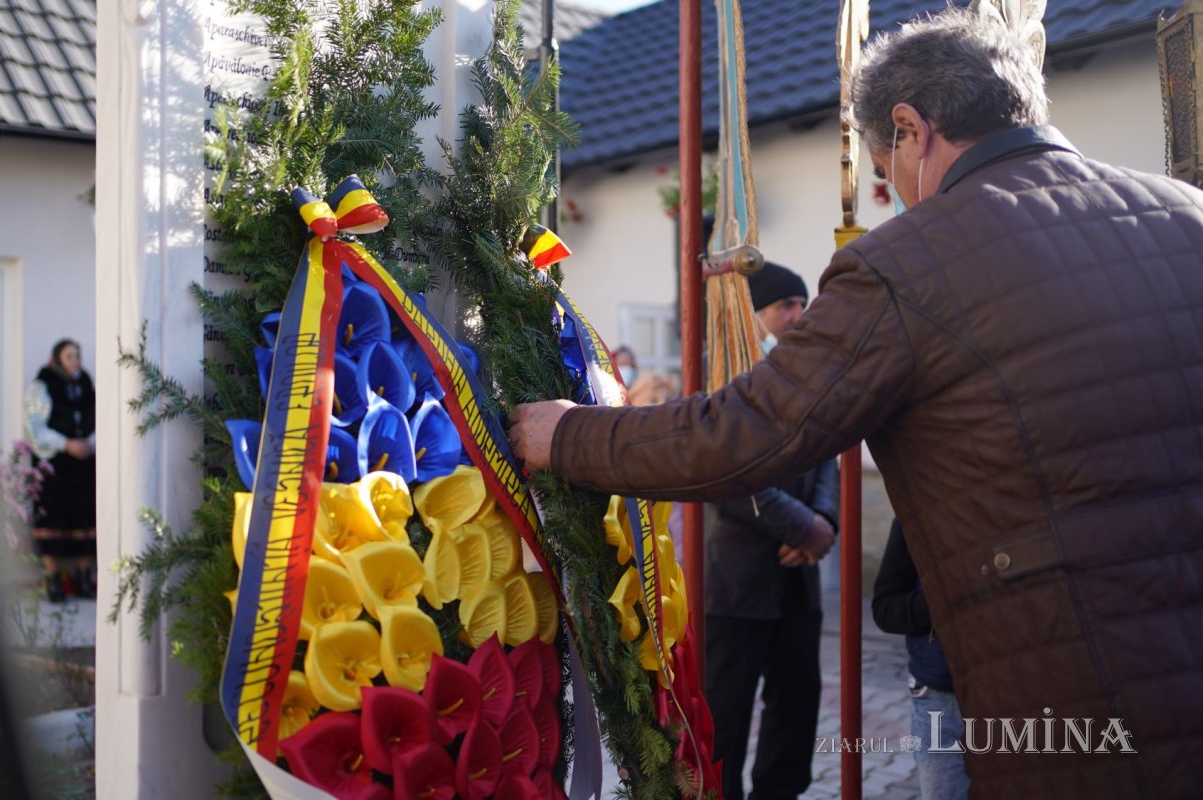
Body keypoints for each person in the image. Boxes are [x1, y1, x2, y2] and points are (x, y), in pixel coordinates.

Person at [510, 9, 1203, 796]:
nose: (893, 193)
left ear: (912, 129)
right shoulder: (1187, 213)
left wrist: (569, 436)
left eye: (883, 167)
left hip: (1073, 692)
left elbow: (750, 432)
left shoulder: (911, 261)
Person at [708, 262, 837, 800]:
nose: (798, 315)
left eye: (803, 304)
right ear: (755, 316)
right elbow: (724, 474)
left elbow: (828, 451)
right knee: (724, 715)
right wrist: (803, 525)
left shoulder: (810, 374)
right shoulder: (725, 374)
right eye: (786, 305)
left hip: (797, 580)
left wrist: (824, 522)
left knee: (796, 706)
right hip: (736, 582)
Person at [872, 519, 967, 800]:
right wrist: (945, 598)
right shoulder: (920, 508)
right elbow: (886, 609)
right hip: (943, 695)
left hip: (1025, 689)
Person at [24, 339, 97, 602]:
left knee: (84, 517)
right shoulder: (42, 385)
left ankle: (84, 577)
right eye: (69, 356)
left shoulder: (85, 384)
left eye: (77, 355)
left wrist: (89, 443)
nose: (75, 361)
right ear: (57, 359)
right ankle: (53, 579)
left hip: (83, 463)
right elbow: (34, 426)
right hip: (54, 464)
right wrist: (66, 444)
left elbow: (98, 417)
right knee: (54, 518)